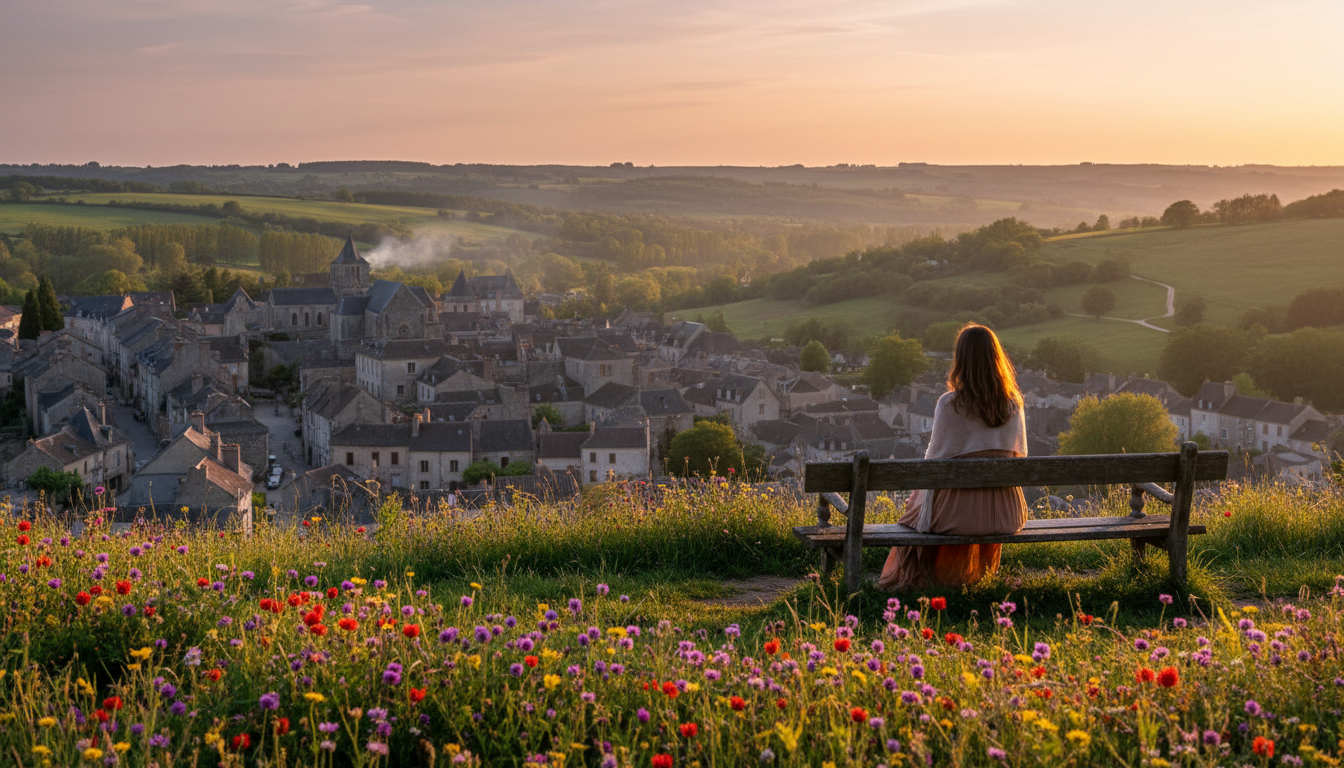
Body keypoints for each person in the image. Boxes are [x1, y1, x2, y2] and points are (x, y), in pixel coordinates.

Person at [877, 323, 1028, 591]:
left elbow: (933, 465)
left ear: (960, 361)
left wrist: (915, 500)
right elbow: (1019, 455)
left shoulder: (949, 404)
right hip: (1006, 513)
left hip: (959, 515)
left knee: (915, 516)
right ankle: (970, 578)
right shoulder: (1013, 403)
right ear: (997, 359)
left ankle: (933, 581)